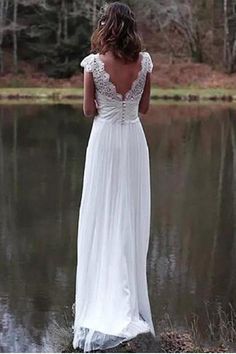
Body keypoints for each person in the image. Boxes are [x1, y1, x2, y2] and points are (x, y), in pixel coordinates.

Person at [72, 1, 155, 352]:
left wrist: (106, 101)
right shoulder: (144, 62)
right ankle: (127, 300)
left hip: (105, 141)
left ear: (106, 26)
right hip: (133, 141)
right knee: (129, 217)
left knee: (102, 215)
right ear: (131, 27)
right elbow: (145, 108)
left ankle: (102, 298)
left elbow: (89, 110)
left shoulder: (93, 64)